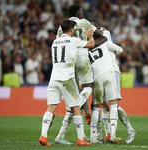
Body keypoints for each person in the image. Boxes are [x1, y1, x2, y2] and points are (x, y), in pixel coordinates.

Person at [54, 4, 107, 144]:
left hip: (69, 63)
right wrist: (88, 44)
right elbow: (102, 38)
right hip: (82, 58)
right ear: (80, 14)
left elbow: (59, 44)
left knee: (75, 98)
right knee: (88, 86)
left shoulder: (62, 27)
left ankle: (67, 136)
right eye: (82, 12)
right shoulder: (84, 23)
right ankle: (78, 105)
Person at [39, 19, 95, 146]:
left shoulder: (54, 42)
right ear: (71, 30)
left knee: (51, 108)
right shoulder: (73, 40)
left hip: (53, 78)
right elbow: (91, 45)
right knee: (75, 108)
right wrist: (90, 36)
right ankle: (81, 139)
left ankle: (43, 136)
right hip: (66, 79)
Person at [89, 19, 136, 144]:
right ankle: (108, 134)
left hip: (112, 70)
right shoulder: (94, 40)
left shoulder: (104, 33)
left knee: (112, 104)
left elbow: (116, 47)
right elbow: (117, 48)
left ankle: (129, 129)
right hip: (102, 72)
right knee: (105, 104)